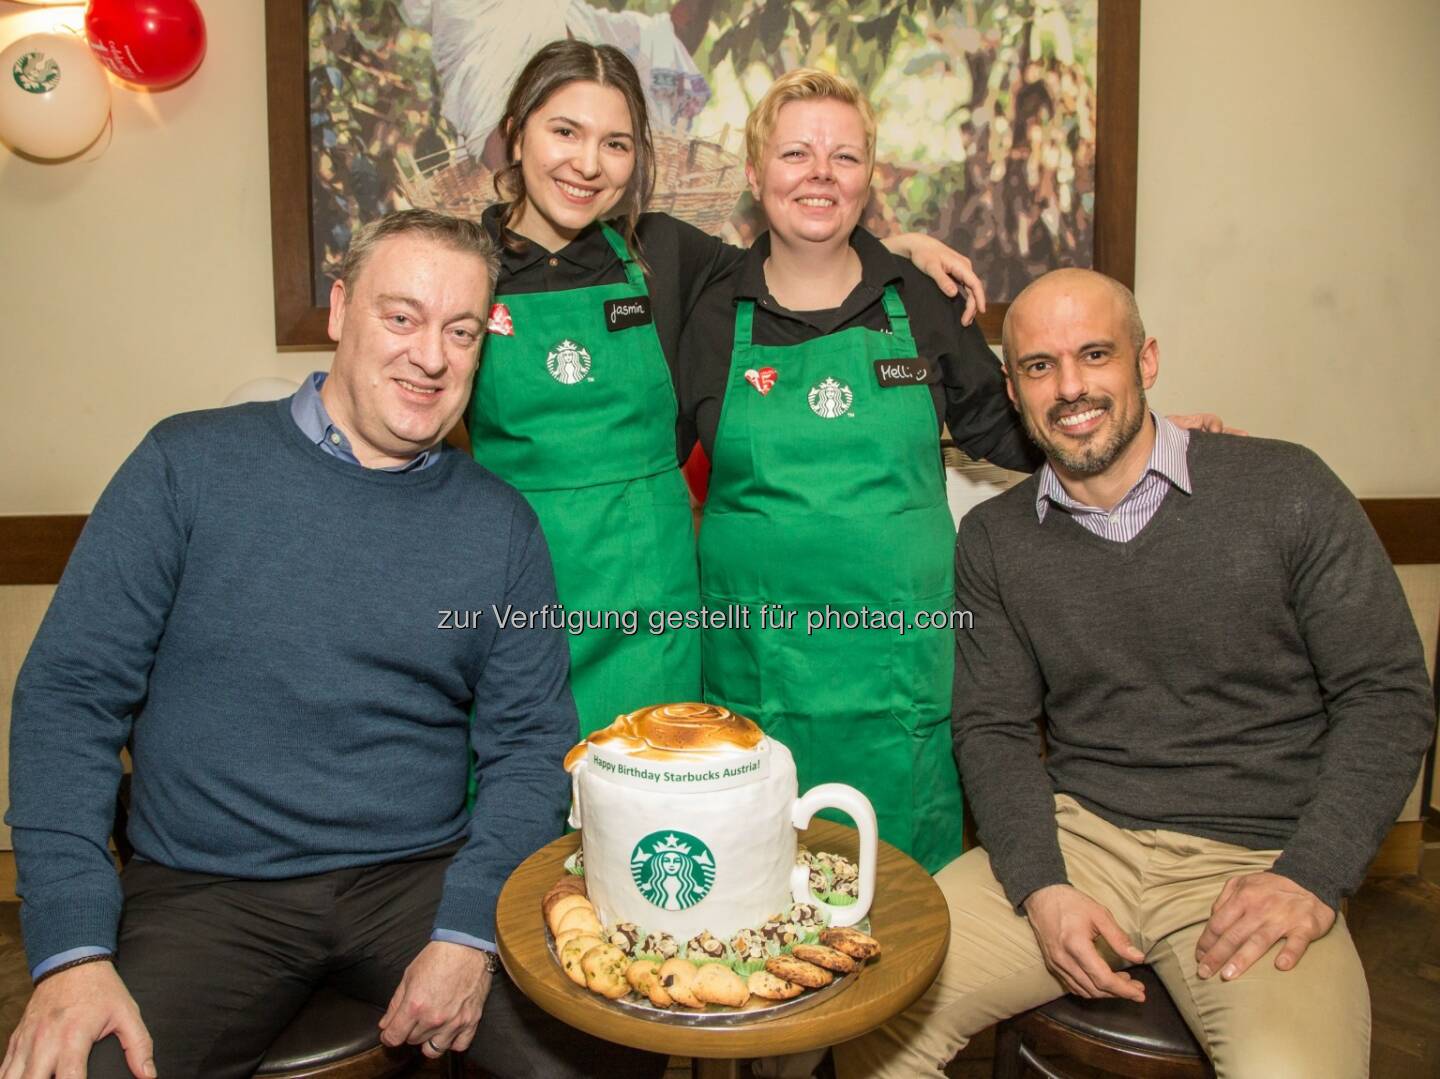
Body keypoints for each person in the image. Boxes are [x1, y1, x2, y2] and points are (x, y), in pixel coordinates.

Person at [3, 210, 664, 1079]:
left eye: (460, 331)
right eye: (402, 317)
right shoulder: (186, 466)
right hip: (208, 884)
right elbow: (68, 697)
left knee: (613, 1056)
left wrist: (468, 932)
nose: (431, 356)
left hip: (417, 880)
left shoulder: (501, 527)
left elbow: (531, 747)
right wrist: (73, 949)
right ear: (340, 308)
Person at [835, 268, 1435, 1078]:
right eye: (1041, 366)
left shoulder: (1287, 488)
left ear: (1146, 362)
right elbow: (994, 727)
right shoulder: (995, 540)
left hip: (1257, 856)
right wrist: (1041, 886)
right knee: (869, 1010)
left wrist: (1312, 874)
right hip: (1079, 837)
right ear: (1012, 389)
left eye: (1095, 354)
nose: (1072, 386)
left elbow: (1388, 694)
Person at [465, 41, 991, 739]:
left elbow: (804, 246)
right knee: (522, 815)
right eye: (565, 131)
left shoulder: (668, 255)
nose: (588, 163)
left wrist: (902, 249)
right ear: (516, 131)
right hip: (515, 591)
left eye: (616, 142)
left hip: (651, 608)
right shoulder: (457, 265)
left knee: (652, 811)